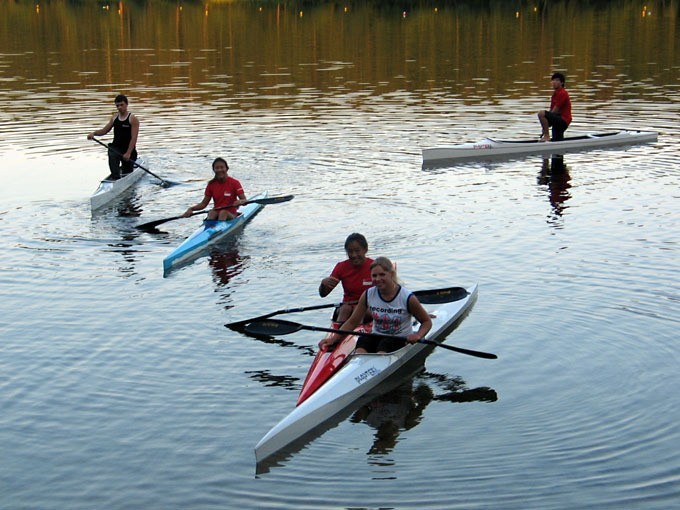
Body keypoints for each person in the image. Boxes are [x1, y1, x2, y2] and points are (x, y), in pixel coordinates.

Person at [319, 257, 432, 354]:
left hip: (399, 338)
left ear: (391, 274)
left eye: (382, 274)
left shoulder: (407, 297)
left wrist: (418, 335)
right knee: (362, 341)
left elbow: (427, 322)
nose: (377, 279)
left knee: (384, 346)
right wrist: (333, 339)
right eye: (374, 276)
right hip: (376, 336)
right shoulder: (368, 294)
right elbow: (353, 321)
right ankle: (360, 363)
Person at [319, 233, 373, 323]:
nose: (354, 255)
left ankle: (349, 331)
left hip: (369, 307)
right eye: (350, 251)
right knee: (345, 309)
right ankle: (338, 333)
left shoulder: (374, 266)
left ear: (365, 250)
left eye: (357, 251)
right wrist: (323, 285)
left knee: (360, 311)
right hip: (347, 307)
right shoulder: (341, 267)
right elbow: (323, 294)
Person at [87, 94, 140, 179]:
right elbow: (104, 131)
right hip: (116, 147)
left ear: (126, 104)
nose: (119, 107)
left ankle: (125, 172)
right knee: (112, 154)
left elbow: (134, 138)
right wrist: (93, 134)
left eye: (121, 105)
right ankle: (115, 177)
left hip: (128, 149)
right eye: (117, 105)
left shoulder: (133, 119)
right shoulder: (114, 118)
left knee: (127, 170)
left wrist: (128, 153)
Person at [182, 157, 246, 221]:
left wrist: (240, 201)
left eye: (222, 167)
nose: (219, 170)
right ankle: (210, 228)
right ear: (214, 170)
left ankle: (220, 229)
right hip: (216, 213)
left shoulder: (235, 183)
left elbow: (244, 200)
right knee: (211, 212)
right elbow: (204, 204)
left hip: (231, 214)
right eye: (217, 168)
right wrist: (191, 209)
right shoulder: (211, 184)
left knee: (223, 213)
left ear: (227, 169)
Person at [537, 72, 572, 142]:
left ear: (562, 83)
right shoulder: (555, 94)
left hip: (563, 120)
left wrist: (546, 127)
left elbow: (554, 111)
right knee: (557, 141)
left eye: (557, 80)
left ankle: (546, 136)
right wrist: (545, 126)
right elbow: (551, 111)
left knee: (541, 113)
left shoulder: (563, 93)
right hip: (558, 119)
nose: (554, 82)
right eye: (553, 80)